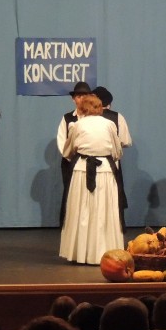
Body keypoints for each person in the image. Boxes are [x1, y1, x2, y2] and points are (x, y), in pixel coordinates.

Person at [59, 94, 124, 264]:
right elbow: (117, 152)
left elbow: (67, 152)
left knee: (82, 210)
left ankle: (81, 253)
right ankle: (106, 251)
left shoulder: (77, 125)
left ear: (82, 108)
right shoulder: (109, 124)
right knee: (104, 210)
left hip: (81, 171)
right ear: (100, 108)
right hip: (105, 171)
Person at [93, 86, 131, 226]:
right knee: (113, 196)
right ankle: (114, 227)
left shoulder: (85, 118)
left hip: (88, 164)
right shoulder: (117, 117)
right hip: (111, 163)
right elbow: (125, 141)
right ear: (109, 102)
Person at [57, 81, 92, 225]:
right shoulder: (67, 118)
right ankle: (69, 224)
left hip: (90, 162)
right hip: (70, 163)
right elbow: (62, 141)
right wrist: (73, 159)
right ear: (73, 99)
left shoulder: (94, 118)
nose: (82, 99)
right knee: (71, 194)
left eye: (85, 96)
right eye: (78, 96)